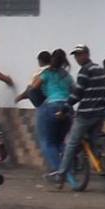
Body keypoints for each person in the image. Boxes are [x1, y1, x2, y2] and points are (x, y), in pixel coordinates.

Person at [57, 44, 105, 190]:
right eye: (76, 56)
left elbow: (77, 94)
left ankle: (61, 175)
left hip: (85, 115)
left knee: (71, 144)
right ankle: (104, 167)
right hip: (99, 114)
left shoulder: (84, 71)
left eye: (79, 55)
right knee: (94, 142)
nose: (77, 58)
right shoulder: (101, 70)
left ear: (86, 54)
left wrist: (64, 109)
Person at [28, 49, 73, 183]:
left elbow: (33, 88)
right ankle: (70, 172)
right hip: (67, 108)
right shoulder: (67, 76)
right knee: (61, 142)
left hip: (50, 107)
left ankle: (60, 172)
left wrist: (39, 99)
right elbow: (74, 90)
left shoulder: (45, 74)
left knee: (48, 142)